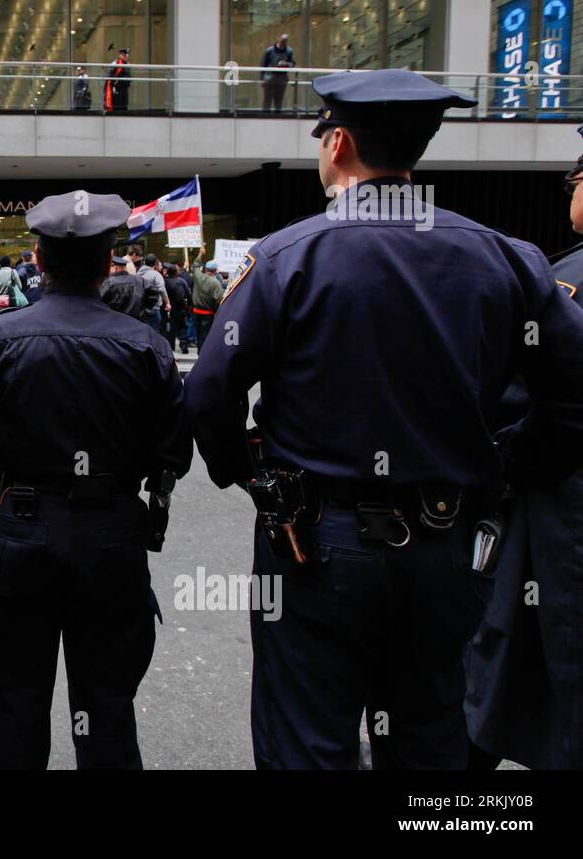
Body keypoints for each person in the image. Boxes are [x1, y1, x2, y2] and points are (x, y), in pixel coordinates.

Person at [184, 69, 583, 770]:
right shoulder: (509, 260)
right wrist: (511, 465)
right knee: (430, 739)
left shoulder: (284, 258)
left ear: (337, 143)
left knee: (307, 737)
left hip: (314, 541)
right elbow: (574, 395)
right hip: (448, 542)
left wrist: (248, 475)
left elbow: (210, 392)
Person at [0, 191, 192, 769]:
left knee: (14, 703)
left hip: (20, 533)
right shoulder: (147, 346)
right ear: (110, 263)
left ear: (38, 260)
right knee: (108, 707)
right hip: (109, 535)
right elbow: (173, 452)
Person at [464, 138, 583, 769]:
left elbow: (527, 400)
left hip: (558, 515)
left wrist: (505, 465)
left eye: (576, 183)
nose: (572, 195)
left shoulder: (567, 283)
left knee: (508, 655)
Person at [189, 252, 224, 349]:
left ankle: (200, 352)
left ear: (206, 269)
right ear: (215, 271)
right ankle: (202, 354)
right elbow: (218, 300)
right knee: (205, 336)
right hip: (208, 314)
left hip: (196, 312)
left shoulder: (198, 276)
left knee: (199, 334)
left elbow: (195, 264)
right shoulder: (216, 283)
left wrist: (200, 253)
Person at [128, 246, 167, 331]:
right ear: (155, 263)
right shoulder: (156, 275)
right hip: (154, 308)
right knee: (154, 331)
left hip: (140, 307)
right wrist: (167, 302)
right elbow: (162, 289)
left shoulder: (138, 273)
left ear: (145, 262)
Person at [99, 254, 147, 319]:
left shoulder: (109, 282)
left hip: (114, 320)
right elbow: (154, 293)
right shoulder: (140, 280)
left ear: (115, 268)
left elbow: (100, 300)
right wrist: (143, 309)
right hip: (135, 320)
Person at [260, 34, 295, 113]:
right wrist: (262, 79)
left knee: (279, 99)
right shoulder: (269, 50)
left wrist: (286, 63)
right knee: (267, 99)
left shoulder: (289, 51)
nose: (283, 43)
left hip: (282, 77)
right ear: (278, 39)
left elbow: (292, 63)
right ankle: (265, 117)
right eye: (282, 41)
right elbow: (263, 65)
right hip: (269, 77)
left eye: (285, 41)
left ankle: (278, 117)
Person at [163, 263, 190, 354]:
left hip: (168, 307)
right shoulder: (181, 282)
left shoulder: (165, 281)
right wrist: (187, 306)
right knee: (182, 327)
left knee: (171, 328)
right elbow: (187, 295)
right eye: (178, 270)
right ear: (175, 272)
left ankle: (171, 346)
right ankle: (184, 345)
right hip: (179, 308)